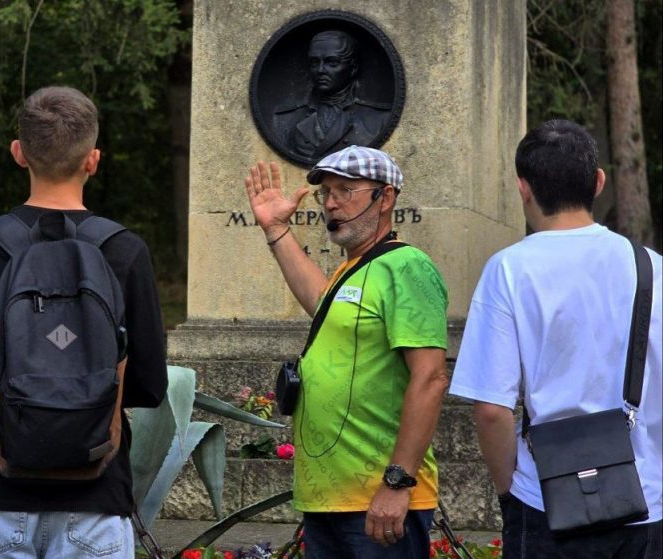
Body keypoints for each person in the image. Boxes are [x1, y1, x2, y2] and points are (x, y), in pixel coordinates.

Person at [0, 86, 168, 558]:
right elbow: (149, 385)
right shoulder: (125, 251)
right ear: (93, 160)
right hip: (98, 498)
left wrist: (22, 408)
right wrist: (79, 407)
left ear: (18, 153)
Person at [449, 119, 662, 558]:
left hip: (547, 501)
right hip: (648, 504)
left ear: (523, 188)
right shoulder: (654, 270)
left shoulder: (509, 270)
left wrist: (511, 491)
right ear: (598, 182)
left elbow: (492, 410)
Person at [244, 145, 449, 558]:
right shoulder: (354, 267)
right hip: (329, 499)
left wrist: (397, 483)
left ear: (385, 197)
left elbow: (430, 378)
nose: (332, 203)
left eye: (345, 190)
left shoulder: (405, 266)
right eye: (326, 193)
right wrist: (276, 231)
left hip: (379, 501)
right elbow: (322, 304)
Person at [272, 30, 391, 161]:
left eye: (332, 62)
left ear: (353, 67)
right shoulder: (285, 119)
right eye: (314, 62)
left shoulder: (379, 119)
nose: (321, 70)